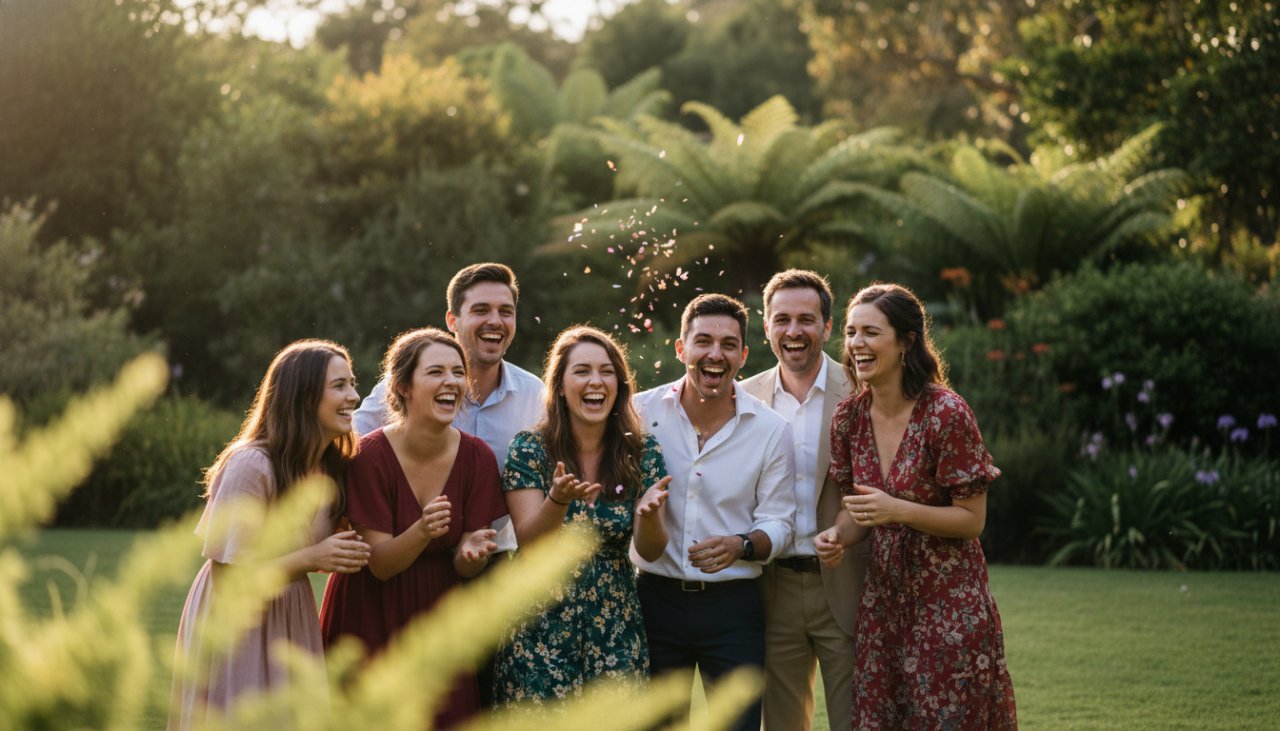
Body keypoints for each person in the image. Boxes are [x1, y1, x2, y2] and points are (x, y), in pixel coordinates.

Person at [815, 283, 1018, 730]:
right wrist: (837, 536)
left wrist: (897, 510)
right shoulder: (848, 418)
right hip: (882, 607)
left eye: (870, 332)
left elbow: (972, 520)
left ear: (906, 341)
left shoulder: (945, 414)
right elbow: (857, 511)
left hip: (948, 605)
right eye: (850, 333)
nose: (855, 345)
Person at [351, 262, 543, 705]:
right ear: (453, 320)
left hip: (491, 566)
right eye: (481, 310)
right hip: (397, 572)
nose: (496, 321)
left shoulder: (536, 397)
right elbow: (346, 451)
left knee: (480, 702)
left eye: (506, 311)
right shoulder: (394, 391)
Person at [169, 340, 372, 730]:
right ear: (303, 394)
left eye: (353, 383)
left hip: (292, 612)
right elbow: (229, 577)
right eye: (340, 386)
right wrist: (314, 558)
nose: (354, 396)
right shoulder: (251, 464)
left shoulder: (331, 469)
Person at [319, 328, 508, 728]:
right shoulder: (368, 455)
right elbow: (381, 565)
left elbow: (465, 563)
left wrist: (472, 551)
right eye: (436, 372)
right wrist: (423, 530)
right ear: (403, 386)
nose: (451, 382)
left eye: (458, 373)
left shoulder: (478, 458)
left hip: (439, 618)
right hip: (369, 613)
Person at [632, 293, 796, 731]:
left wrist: (742, 545)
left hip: (733, 609)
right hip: (653, 599)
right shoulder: (639, 412)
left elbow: (779, 522)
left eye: (728, 344)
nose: (715, 354)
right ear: (681, 348)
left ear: (743, 355)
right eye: (703, 341)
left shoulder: (770, 430)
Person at [493, 326, 673, 705]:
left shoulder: (642, 451)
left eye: (607, 371)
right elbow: (529, 543)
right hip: (539, 624)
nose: (596, 381)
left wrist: (651, 515)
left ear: (620, 384)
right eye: (582, 371)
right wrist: (557, 500)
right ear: (559, 385)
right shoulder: (530, 449)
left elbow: (652, 551)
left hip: (615, 625)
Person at [739, 270, 869, 731]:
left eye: (806, 320)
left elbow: (875, 483)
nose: (794, 331)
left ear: (828, 327)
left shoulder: (860, 392)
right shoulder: (742, 397)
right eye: (782, 319)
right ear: (767, 325)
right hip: (770, 586)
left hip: (845, 578)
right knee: (782, 723)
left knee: (858, 720)